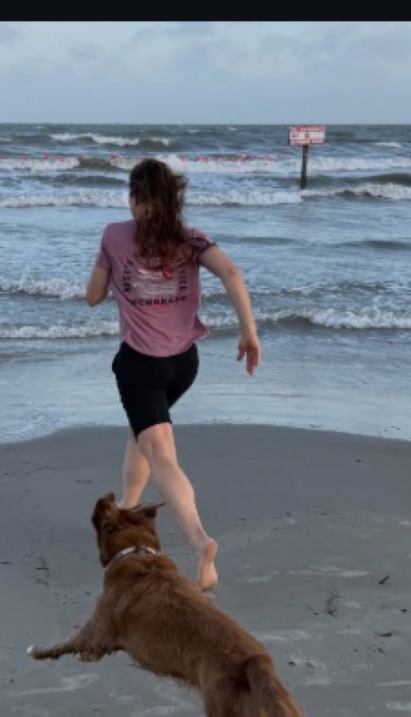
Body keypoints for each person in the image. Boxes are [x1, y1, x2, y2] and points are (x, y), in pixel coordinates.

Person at [85, 157, 261, 591]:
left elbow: (93, 297)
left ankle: (200, 542)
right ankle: (127, 508)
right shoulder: (192, 240)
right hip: (184, 364)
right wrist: (249, 333)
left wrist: (110, 268)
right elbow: (233, 274)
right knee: (141, 432)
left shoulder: (114, 235)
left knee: (161, 451)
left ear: (134, 198)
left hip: (141, 365)